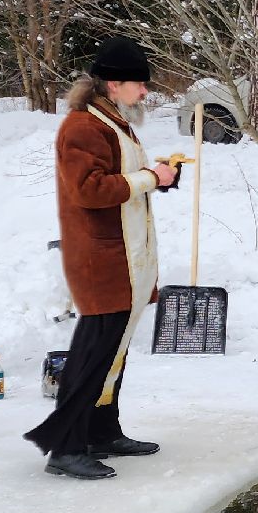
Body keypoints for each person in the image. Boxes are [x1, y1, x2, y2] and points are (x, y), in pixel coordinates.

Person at [25, 37, 179, 481]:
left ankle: (101, 432)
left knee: (113, 352)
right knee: (93, 354)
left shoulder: (112, 122)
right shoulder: (82, 127)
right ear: (114, 84)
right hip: (102, 260)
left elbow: (120, 180)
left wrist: (157, 179)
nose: (145, 92)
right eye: (139, 84)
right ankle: (65, 446)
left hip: (124, 257)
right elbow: (88, 190)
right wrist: (150, 177)